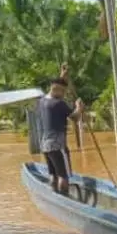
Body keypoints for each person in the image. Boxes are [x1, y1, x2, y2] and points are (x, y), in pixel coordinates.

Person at [37, 64, 84, 196]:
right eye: (63, 92)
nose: (64, 94)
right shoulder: (59, 104)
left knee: (53, 173)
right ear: (56, 90)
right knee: (63, 175)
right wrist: (79, 108)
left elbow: (57, 87)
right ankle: (65, 197)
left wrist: (62, 76)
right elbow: (75, 118)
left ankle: (54, 195)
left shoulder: (42, 101)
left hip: (45, 145)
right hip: (58, 145)